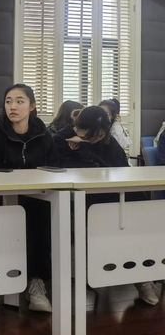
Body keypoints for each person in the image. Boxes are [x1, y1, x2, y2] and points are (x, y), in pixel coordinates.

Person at [54, 106, 157, 306]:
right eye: (92, 136)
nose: (98, 139)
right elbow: (69, 171)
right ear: (79, 127)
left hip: (112, 196)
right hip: (82, 200)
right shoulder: (61, 139)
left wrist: (88, 150)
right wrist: (87, 150)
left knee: (140, 204)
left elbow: (121, 167)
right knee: (115, 219)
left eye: (101, 135)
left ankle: (143, 271)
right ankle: (136, 274)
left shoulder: (107, 140)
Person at [0, 84, 57, 313]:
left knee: (41, 216)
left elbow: (55, 166)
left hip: (37, 197)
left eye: (20, 101)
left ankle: (36, 283)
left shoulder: (44, 135)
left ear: (32, 106)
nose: (13, 106)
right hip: (2, 199)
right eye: (8, 101)